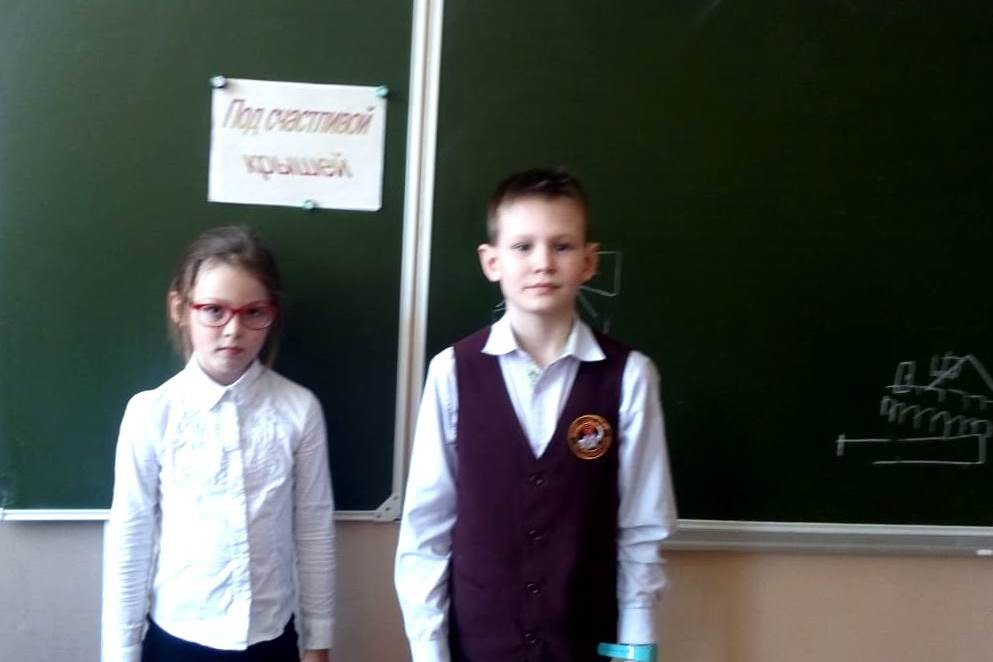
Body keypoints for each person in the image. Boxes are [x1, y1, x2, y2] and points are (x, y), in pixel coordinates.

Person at [395, 168, 677, 661]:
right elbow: (426, 529)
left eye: (562, 246)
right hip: (476, 645)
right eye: (523, 246)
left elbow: (642, 528)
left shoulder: (629, 376)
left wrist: (636, 649)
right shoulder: (452, 372)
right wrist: (428, 650)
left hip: (584, 642)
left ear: (589, 262)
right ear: (492, 262)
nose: (543, 262)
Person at [103, 226, 336, 662]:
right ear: (181, 308)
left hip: (270, 638)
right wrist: (120, 651)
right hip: (177, 638)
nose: (234, 329)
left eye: (253, 312)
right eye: (214, 310)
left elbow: (314, 529)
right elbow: (130, 536)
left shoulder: (299, 410)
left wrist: (318, 641)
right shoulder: (151, 413)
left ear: (272, 314)